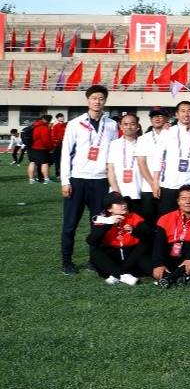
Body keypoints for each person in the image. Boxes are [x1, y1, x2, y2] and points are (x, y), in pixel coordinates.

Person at [60, 85, 119, 275]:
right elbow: (66, 153)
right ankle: (67, 262)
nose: (97, 102)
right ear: (87, 100)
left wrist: (112, 182)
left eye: (101, 98)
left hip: (101, 181)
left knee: (98, 223)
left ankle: (94, 260)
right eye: (94, 98)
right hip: (78, 180)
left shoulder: (111, 125)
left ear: (105, 101)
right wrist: (65, 181)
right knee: (70, 224)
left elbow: (114, 154)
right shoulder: (75, 123)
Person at [151, 186, 190, 288]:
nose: (187, 202)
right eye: (184, 199)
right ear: (178, 201)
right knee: (149, 256)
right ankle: (182, 276)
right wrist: (158, 264)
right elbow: (159, 244)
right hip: (171, 251)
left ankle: (168, 278)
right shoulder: (164, 219)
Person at [86, 192, 153, 285]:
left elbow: (150, 234)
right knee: (94, 251)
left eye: (124, 202)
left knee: (145, 244)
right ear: (109, 209)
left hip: (132, 259)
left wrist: (134, 231)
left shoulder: (134, 217)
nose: (124, 205)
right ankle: (122, 275)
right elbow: (91, 241)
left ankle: (118, 275)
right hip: (112, 260)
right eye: (119, 203)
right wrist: (108, 224)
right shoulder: (103, 220)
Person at [157, 101, 190, 217]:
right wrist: (155, 182)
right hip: (170, 184)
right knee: (168, 218)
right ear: (177, 114)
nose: (186, 114)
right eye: (183, 111)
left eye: (189, 111)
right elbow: (159, 159)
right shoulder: (167, 131)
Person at [135, 107, 169, 222]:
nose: (157, 119)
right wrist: (153, 184)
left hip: (168, 185)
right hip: (148, 187)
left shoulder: (173, 135)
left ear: (166, 118)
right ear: (150, 119)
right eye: (154, 116)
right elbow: (142, 164)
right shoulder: (143, 139)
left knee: (166, 221)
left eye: (160, 116)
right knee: (149, 221)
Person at [105, 113, 143, 210]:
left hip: (138, 192)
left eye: (132, 124)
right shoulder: (114, 144)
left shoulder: (144, 143)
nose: (129, 127)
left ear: (137, 126)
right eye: (125, 124)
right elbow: (110, 170)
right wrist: (116, 192)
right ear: (120, 126)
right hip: (119, 193)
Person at [28, 114, 52, 184]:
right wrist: (50, 148)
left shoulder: (34, 125)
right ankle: (46, 179)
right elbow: (46, 140)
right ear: (48, 121)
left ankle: (31, 180)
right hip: (40, 147)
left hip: (30, 147)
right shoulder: (44, 127)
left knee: (32, 162)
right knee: (44, 163)